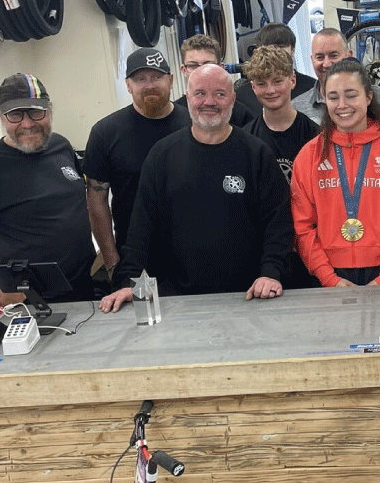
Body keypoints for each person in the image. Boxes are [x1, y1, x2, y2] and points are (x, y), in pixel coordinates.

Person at [99, 63, 292, 310]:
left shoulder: (257, 154)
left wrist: (271, 273)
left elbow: (278, 224)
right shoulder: (162, 156)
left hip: (249, 296)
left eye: (219, 94)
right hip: (176, 299)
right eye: (200, 93)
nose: (209, 101)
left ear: (232, 98)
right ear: (187, 98)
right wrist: (129, 282)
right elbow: (141, 230)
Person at [0, 73, 94, 304]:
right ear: (2, 117)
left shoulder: (61, 146)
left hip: (86, 287)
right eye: (15, 115)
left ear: (49, 112)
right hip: (34, 301)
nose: (28, 123)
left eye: (36, 112)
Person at [291, 58, 380, 287]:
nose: (342, 105)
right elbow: (302, 226)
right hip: (327, 276)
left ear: (368, 97)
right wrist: (329, 278)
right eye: (333, 97)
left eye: (351, 95)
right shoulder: (310, 156)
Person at [84, 48, 191, 283]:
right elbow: (96, 201)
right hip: (135, 260)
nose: (149, 85)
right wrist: (112, 263)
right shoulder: (105, 133)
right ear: (128, 85)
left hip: (193, 255)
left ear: (171, 80)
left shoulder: (194, 125)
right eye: (140, 79)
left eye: (156, 77)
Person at [243, 45, 319, 289]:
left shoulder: (316, 136)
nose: (271, 90)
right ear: (253, 87)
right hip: (265, 253)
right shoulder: (246, 141)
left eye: (277, 81)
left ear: (293, 80)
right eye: (262, 83)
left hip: (310, 249)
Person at [292, 28, 380, 125]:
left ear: (349, 55)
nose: (327, 63)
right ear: (312, 60)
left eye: (333, 55)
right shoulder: (298, 108)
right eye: (320, 57)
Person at [235, 22, 316, 117]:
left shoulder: (312, 88)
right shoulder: (242, 97)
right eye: (269, 48)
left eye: (280, 47)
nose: (275, 53)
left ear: (293, 50)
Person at [173, 34, 254, 128]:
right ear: (184, 70)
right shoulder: (174, 115)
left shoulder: (241, 114)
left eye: (208, 65)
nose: (201, 71)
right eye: (193, 66)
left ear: (221, 68)